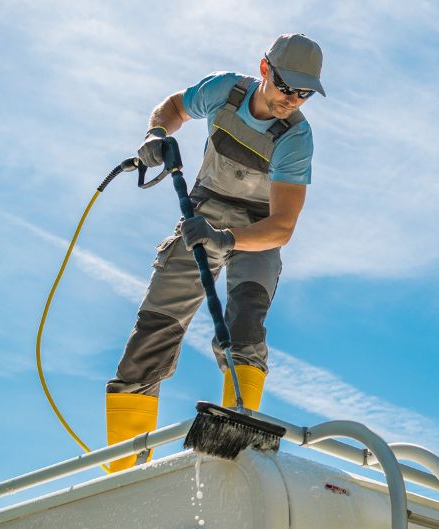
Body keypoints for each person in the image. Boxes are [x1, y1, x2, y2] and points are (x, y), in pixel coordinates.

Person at [105, 33, 325, 472]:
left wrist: (228, 238)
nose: (292, 100)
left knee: (245, 319)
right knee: (153, 332)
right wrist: (155, 132)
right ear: (265, 70)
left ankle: (235, 436)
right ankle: (121, 469)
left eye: (304, 94)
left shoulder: (295, 139)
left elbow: (281, 227)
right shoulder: (224, 91)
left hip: (256, 231)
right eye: (286, 87)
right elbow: (173, 107)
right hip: (202, 214)